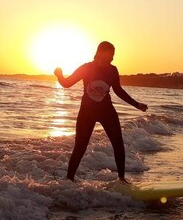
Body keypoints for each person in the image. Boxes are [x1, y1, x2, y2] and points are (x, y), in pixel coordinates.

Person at [55, 41, 148, 182]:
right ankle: (69, 180)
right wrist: (59, 75)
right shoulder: (86, 68)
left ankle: (122, 179)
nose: (108, 61)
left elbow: (118, 91)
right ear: (97, 55)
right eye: (105, 58)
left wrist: (136, 104)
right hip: (87, 112)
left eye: (111, 58)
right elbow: (67, 84)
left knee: (118, 143)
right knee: (80, 147)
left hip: (106, 111)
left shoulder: (112, 70)